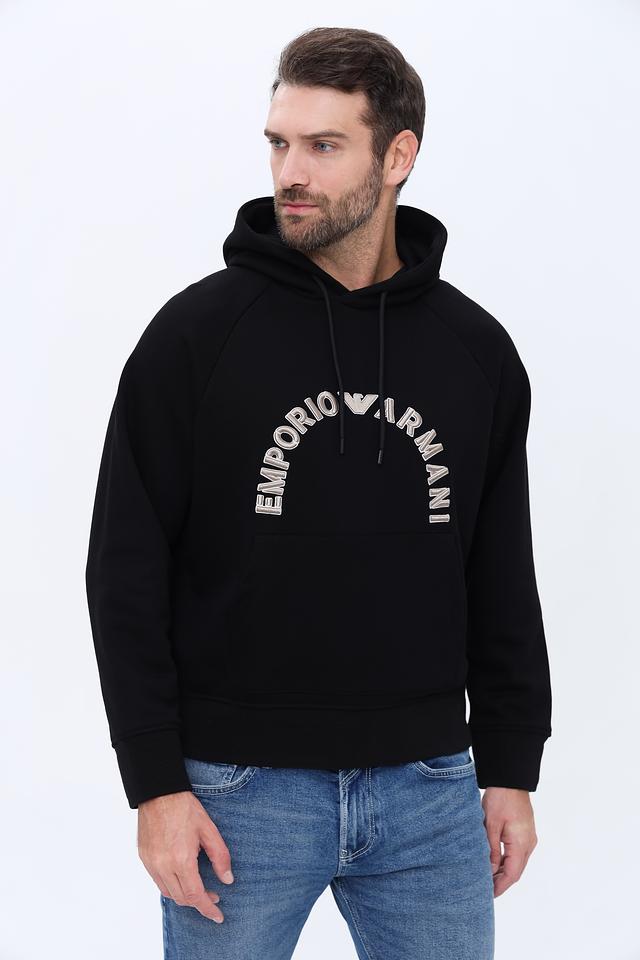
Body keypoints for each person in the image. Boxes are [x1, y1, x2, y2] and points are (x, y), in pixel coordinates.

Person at [85, 25, 552, 960]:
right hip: (238, 792)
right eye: (279, 143)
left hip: (429, 790)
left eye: (324, 146)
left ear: (398, 157)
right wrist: (155, 784)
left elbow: (501, 570)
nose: (289, 173)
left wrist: (510, 764)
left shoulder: (475, 352)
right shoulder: (195, 338)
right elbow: (124, 569)